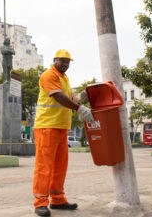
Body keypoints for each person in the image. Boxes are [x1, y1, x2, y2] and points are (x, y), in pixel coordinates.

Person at [32, 49, 95, 216]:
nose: (65, 65)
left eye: (68, 62)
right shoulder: (49, 75)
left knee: (60, 166)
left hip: (61, 128)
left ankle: (58, 200)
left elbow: (70, 98)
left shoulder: (64, 78)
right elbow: (59, 97)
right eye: (62, 61)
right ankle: (40, 203)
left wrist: (84, 95)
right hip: (47, 127)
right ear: (54, 60)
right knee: (44, 166)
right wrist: (80, 108)